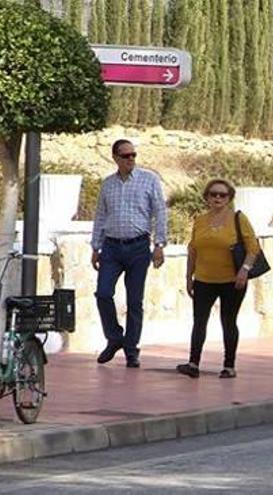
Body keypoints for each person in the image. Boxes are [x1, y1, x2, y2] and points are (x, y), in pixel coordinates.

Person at [92, 139, 167, 368]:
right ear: (115, 158)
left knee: (135, 301)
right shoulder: (107, 185)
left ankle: (131, 349)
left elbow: (160, 212)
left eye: (133, 155)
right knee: (103, 293)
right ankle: (114, 338)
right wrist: (95, 247)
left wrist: (159, 244)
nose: (131, 159)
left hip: (138, 247)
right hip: (112, 247)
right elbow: (100, 216)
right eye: (126, 156)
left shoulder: (149, 180)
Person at [176, 180, 259, 379]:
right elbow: (193, 249)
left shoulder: (238, 219)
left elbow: (253, 248)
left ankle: (229, 366)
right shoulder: (200, 221)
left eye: (223, 195)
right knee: (199, 322)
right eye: (213, 194)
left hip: (232, 280)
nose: (218, 198)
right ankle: (193, 363)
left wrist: (244, 270)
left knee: (228, 321)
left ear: (230, 198)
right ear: (207, 197)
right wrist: (189, 277)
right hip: (204, 279)